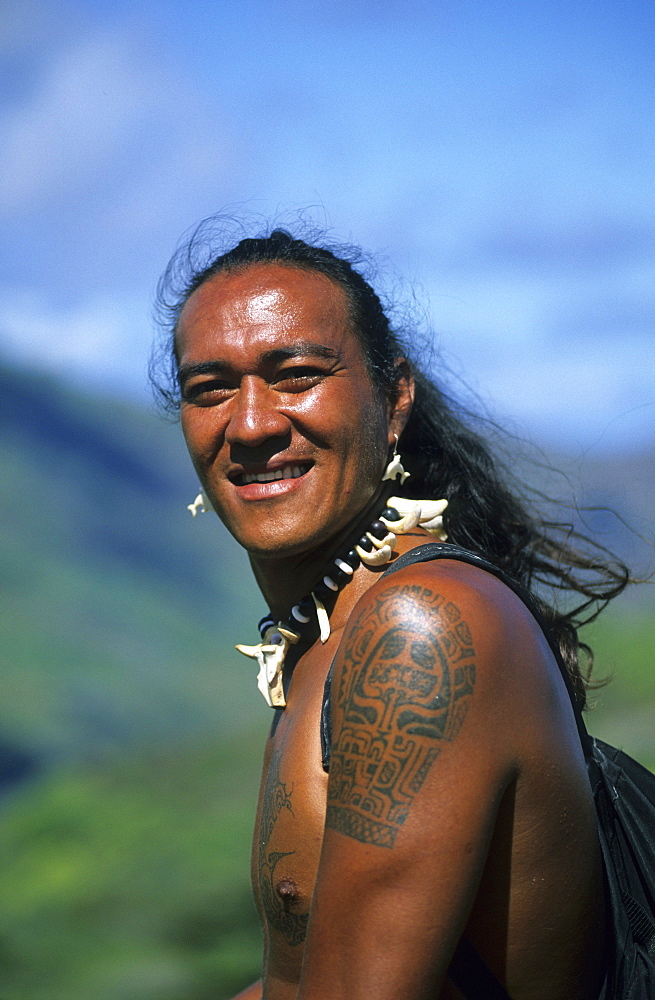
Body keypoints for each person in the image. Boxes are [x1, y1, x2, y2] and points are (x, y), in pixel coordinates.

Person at [152, 225, 631, 1000]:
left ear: (393, 397)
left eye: (296, 374)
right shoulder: (330, 633)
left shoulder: (418, 629)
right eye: (210, 388)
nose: (250, 424)